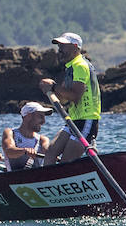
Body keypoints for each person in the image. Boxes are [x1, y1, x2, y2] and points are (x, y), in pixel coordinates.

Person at [40, 32, 101, 165]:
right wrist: (51, 90)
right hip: (73, 120)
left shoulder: (80, 66)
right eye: (59, 46)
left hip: (86, 120)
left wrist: (53, 87)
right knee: (50, 152)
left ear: (75, 47)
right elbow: (64, 99)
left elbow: (75, 96)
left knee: (66, 162)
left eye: (63, 46)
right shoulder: (71, 67)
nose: (60, 50)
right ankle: (47, 177)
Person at [3, 102, 52, 171]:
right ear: (29, 116)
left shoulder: (43, 139)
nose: (43, 121)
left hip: (37, 175)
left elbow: (48, 151)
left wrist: (52, 154)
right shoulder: (10, 133)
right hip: (14, 175)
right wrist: (24, 151)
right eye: (40, 116)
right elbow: (9, 151)